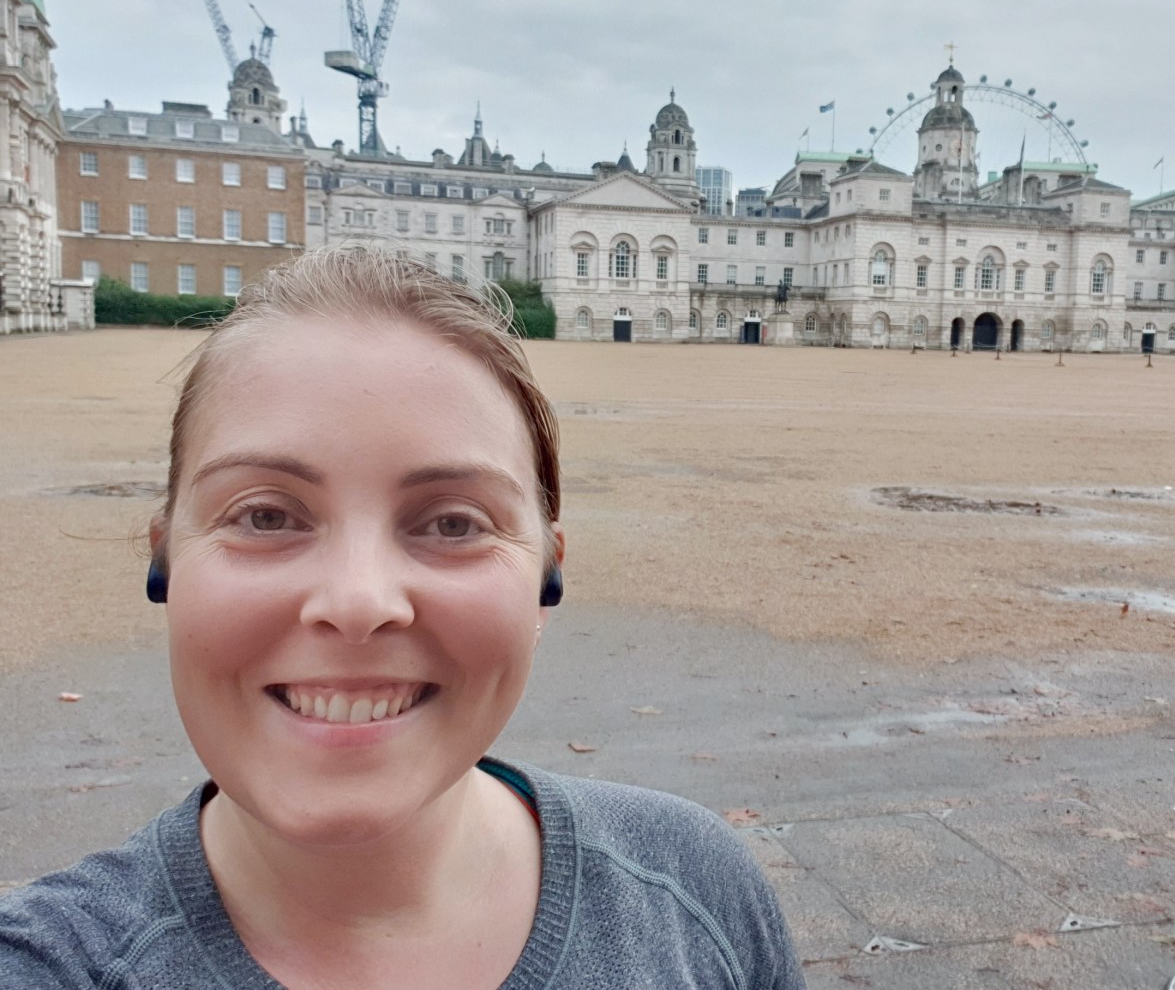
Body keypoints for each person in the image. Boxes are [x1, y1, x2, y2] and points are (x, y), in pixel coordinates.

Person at [0, 245, 803, 988]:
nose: (358, 603)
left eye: (454, 523)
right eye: (266, 516)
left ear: (547, 576)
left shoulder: (700, 891)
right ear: (165, 558)